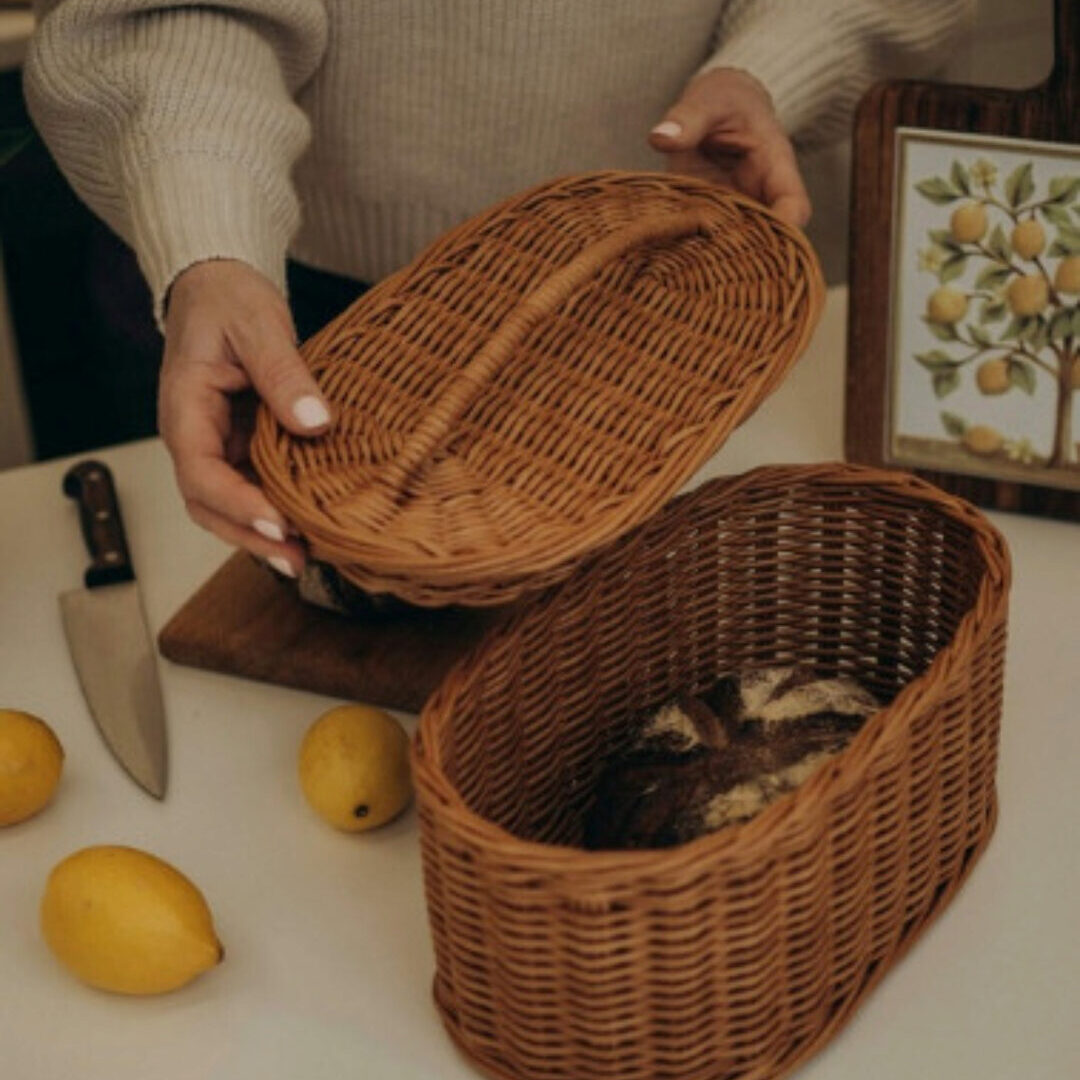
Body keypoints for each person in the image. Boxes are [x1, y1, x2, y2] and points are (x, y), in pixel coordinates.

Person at [24, 0, 973, 579]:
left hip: (661, 310)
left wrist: (775, 64)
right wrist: (209, 228)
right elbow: (167, 10)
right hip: (280, 300)